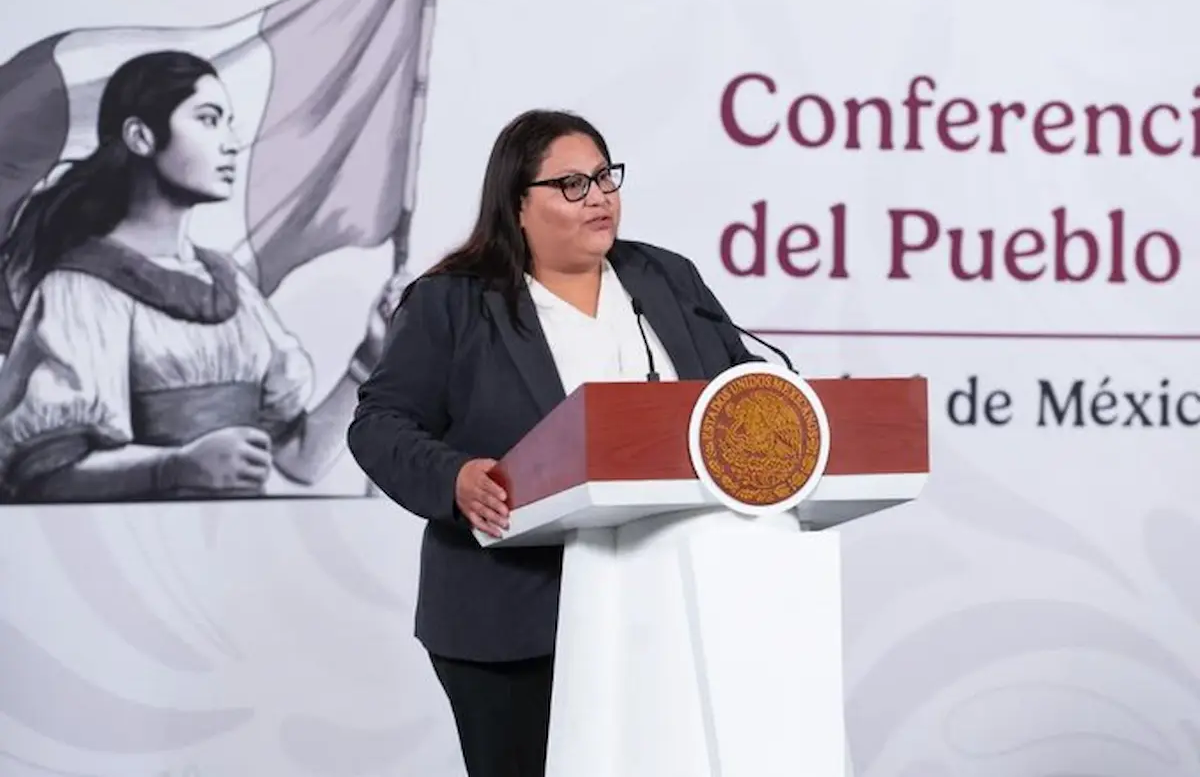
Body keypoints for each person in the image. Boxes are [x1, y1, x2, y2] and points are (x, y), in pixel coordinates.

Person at [346, 108, 759, 777]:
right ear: (517, 204)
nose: (598, 197)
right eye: (572, 184)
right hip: (511, 619)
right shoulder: (453, 302)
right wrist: (455, 479)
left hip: (664, 606)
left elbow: (740, 399)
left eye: (604, 177)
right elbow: (378, 424)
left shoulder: (667, 281)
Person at [0, 49, 395, 502]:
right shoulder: (80, 290)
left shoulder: (231, 286)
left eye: (229, 122)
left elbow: (301, 460)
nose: (230, 142)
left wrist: (371, 359)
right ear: (141, 136)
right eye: (208, 120)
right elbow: (44, 476)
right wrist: (176, 466)